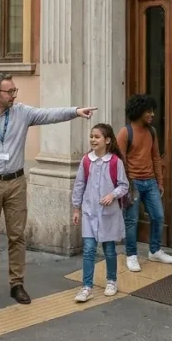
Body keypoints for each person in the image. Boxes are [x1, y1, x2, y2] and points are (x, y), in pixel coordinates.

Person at [0, 72, 96, 305]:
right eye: (10, 91)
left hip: (16, 182)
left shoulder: (22, 113)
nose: (14, 94)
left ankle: (17, 284)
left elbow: (48, 115)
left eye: (15, 90)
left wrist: (75, 111)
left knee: (17, 236)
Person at [116, 95, 172, 272]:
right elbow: (120, 161)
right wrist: (124, 185)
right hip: (132, 182)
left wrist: (159, 181)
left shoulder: (152, 131)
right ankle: (132, 255)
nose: (152, 114)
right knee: (131, 221)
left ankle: (155, 250)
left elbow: (156, 157)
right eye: (148, 111)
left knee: (158, 216)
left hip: (150, 182)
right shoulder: (125, 132)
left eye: (152, 110)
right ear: (139, 112)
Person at [72, 124, 129, 303]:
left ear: (107, 140)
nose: (93, 140)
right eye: (92, 136)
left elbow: (124, 185)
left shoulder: (115, 162)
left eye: (97, 137)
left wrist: (112, 195)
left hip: (108, 213)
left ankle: (111, 281)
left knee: (109, 249)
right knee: (88, 249)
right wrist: (76, 208)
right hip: (89, 212)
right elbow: (79, 183)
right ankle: (86, 286)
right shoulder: (86, 161)